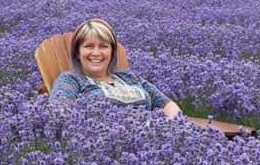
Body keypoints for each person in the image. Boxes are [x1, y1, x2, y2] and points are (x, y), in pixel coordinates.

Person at [49, 18, 182, 119]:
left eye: (103, 46)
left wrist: (171, 125)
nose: (96, 53)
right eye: (89, 46)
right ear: (77, 52)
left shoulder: (129, 77)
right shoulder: (71, 80)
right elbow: (59, 112)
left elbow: (167, 104)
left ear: (112, 52)